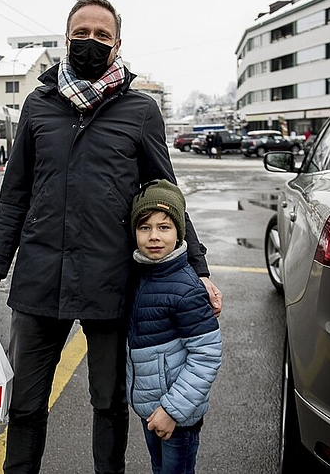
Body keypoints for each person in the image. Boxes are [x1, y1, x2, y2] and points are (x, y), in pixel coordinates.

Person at [0, 0, 223, 474]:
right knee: (25, 404)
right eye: (81, 33)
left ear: (117, 44)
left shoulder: (140, 111)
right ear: (66, 39)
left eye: (101, 35)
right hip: (40, 280)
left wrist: (198, 268)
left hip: (109, 282)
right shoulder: (38, 105)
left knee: (108, 404)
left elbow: (166, 195)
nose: (90, 42)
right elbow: (15, 192)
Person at [127, 179, 222, 474]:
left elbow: (207, 355)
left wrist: (172, 410)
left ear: (179, 232)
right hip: (150, 408)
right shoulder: (140, 276)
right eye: (145, 228)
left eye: (164, 227)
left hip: (178, 414)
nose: (154, 236)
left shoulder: (186, 287)